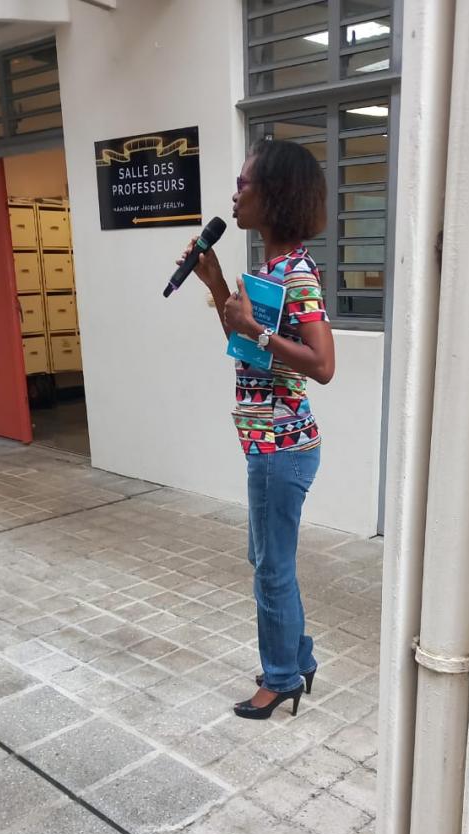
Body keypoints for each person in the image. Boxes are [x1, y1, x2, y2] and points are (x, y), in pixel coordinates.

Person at [179, 139, 335, 720]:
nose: (235, 194)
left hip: (282, 445)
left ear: (274, 195)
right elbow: (247, 347)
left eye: (244, 184)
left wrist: (259, 330)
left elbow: (323, 364)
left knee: (271, 568)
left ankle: (282, 677)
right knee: (266, 559)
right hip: (265, 443)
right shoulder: (271, 271)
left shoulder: (298, 275)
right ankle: (298, 656)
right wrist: (216, 283)